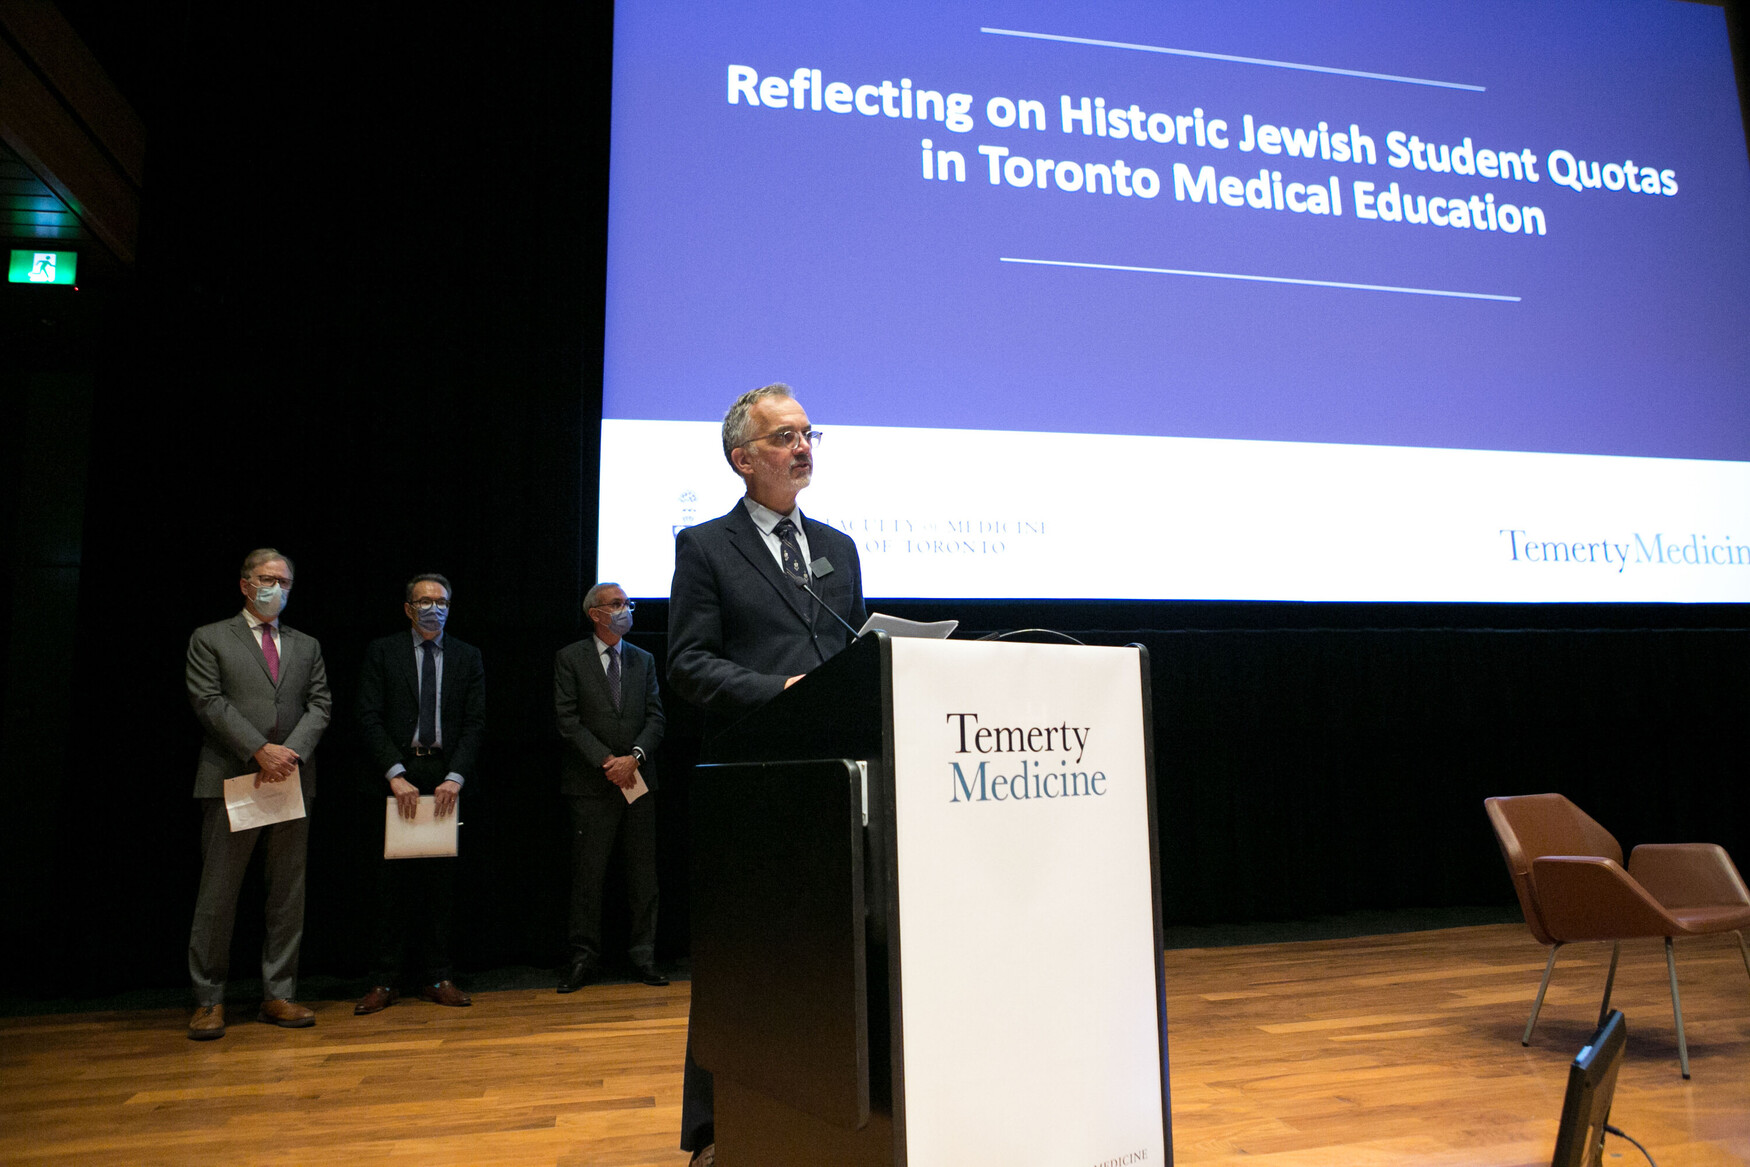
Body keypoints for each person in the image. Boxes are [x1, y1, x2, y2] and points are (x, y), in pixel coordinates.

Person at [667, 383, 867, 1165]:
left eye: (810, 432)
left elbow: (849, 657)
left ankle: (828, 1110)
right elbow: (687, 664)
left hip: (835, 775)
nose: (803, 446)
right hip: (750, 776)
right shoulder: (706, 546)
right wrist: (777, 691)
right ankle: (716, 1129)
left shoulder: (840, 549)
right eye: (786, 436)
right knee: (742, 957)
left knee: (835, 953)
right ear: (743, 457)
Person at [184, 548, 332, 1040]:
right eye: (269, 579)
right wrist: (258, 750)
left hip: (290, 779)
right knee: (218, 895)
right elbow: (208, 701)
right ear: (245, 584)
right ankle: (209, 1000)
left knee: (287, 894)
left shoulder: (306, 644)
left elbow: (320, 704)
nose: (278, 589)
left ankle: (280, 993)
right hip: (233, 777)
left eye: (286, 582)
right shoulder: (210, 638)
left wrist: (288, 753)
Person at [352, 573, 486, 1015]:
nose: (435, 607)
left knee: (441, 886)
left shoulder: (468, 655)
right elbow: (368, 717)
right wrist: (393, 772)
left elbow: (474, 723)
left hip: (446, 777)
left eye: (442, 600)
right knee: (391, 888)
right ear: (408, 608)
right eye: (425, 600)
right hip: (397, 776)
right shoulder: (383, 651)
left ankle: (439, 976)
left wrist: (456, 776)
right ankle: (384, 981)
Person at [553, 581, 668, 992]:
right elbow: (567, 721)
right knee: (588, 877)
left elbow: (656, 717)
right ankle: (583, 958)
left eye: (626, 603)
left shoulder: (643, 659)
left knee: (643, 876)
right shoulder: (570, 659)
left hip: (637, 780)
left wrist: (633, 758)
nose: (625, 610)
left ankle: (643, 955)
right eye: (616, 604)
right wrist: (608, 762)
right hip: (591, 784)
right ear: (595, 613)